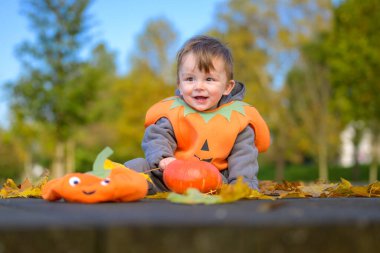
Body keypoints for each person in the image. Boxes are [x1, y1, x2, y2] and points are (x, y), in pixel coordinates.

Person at [125, 35, 270, 194]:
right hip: (170, 177)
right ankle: (125, 185)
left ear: (227, 87)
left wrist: (242, 185)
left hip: (213, 182)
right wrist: (163, 158)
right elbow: (157, 136)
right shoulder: (173, 112)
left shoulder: (238, 118)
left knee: (233, 183)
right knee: (136, 166)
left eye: (209, 79)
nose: (199, 86)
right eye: (190, 79)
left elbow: (244, 156)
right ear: (179, 84)